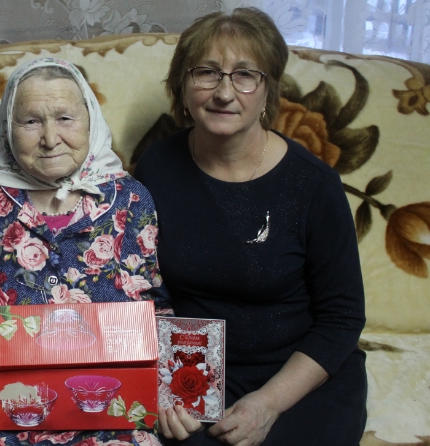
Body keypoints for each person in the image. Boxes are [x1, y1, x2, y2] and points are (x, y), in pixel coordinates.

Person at [135, 8, 367, 446]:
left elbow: (343, 318)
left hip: (300, 376)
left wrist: (268, 404)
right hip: (193, 373)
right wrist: (165, 386)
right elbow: (137, 290)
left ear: (267, 90)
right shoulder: (155, 167)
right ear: (182, 85)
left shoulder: (314, 184)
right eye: (206, 73)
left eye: (245, 75)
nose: (224, 93)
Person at [0, 57, 171, 446]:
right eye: (31, 121)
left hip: (115, 423)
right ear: (7, 127)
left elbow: (158, 315)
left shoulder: (131, 199)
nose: (50, 138)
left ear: (91, 121)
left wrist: (172, 395)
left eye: (65, 118)